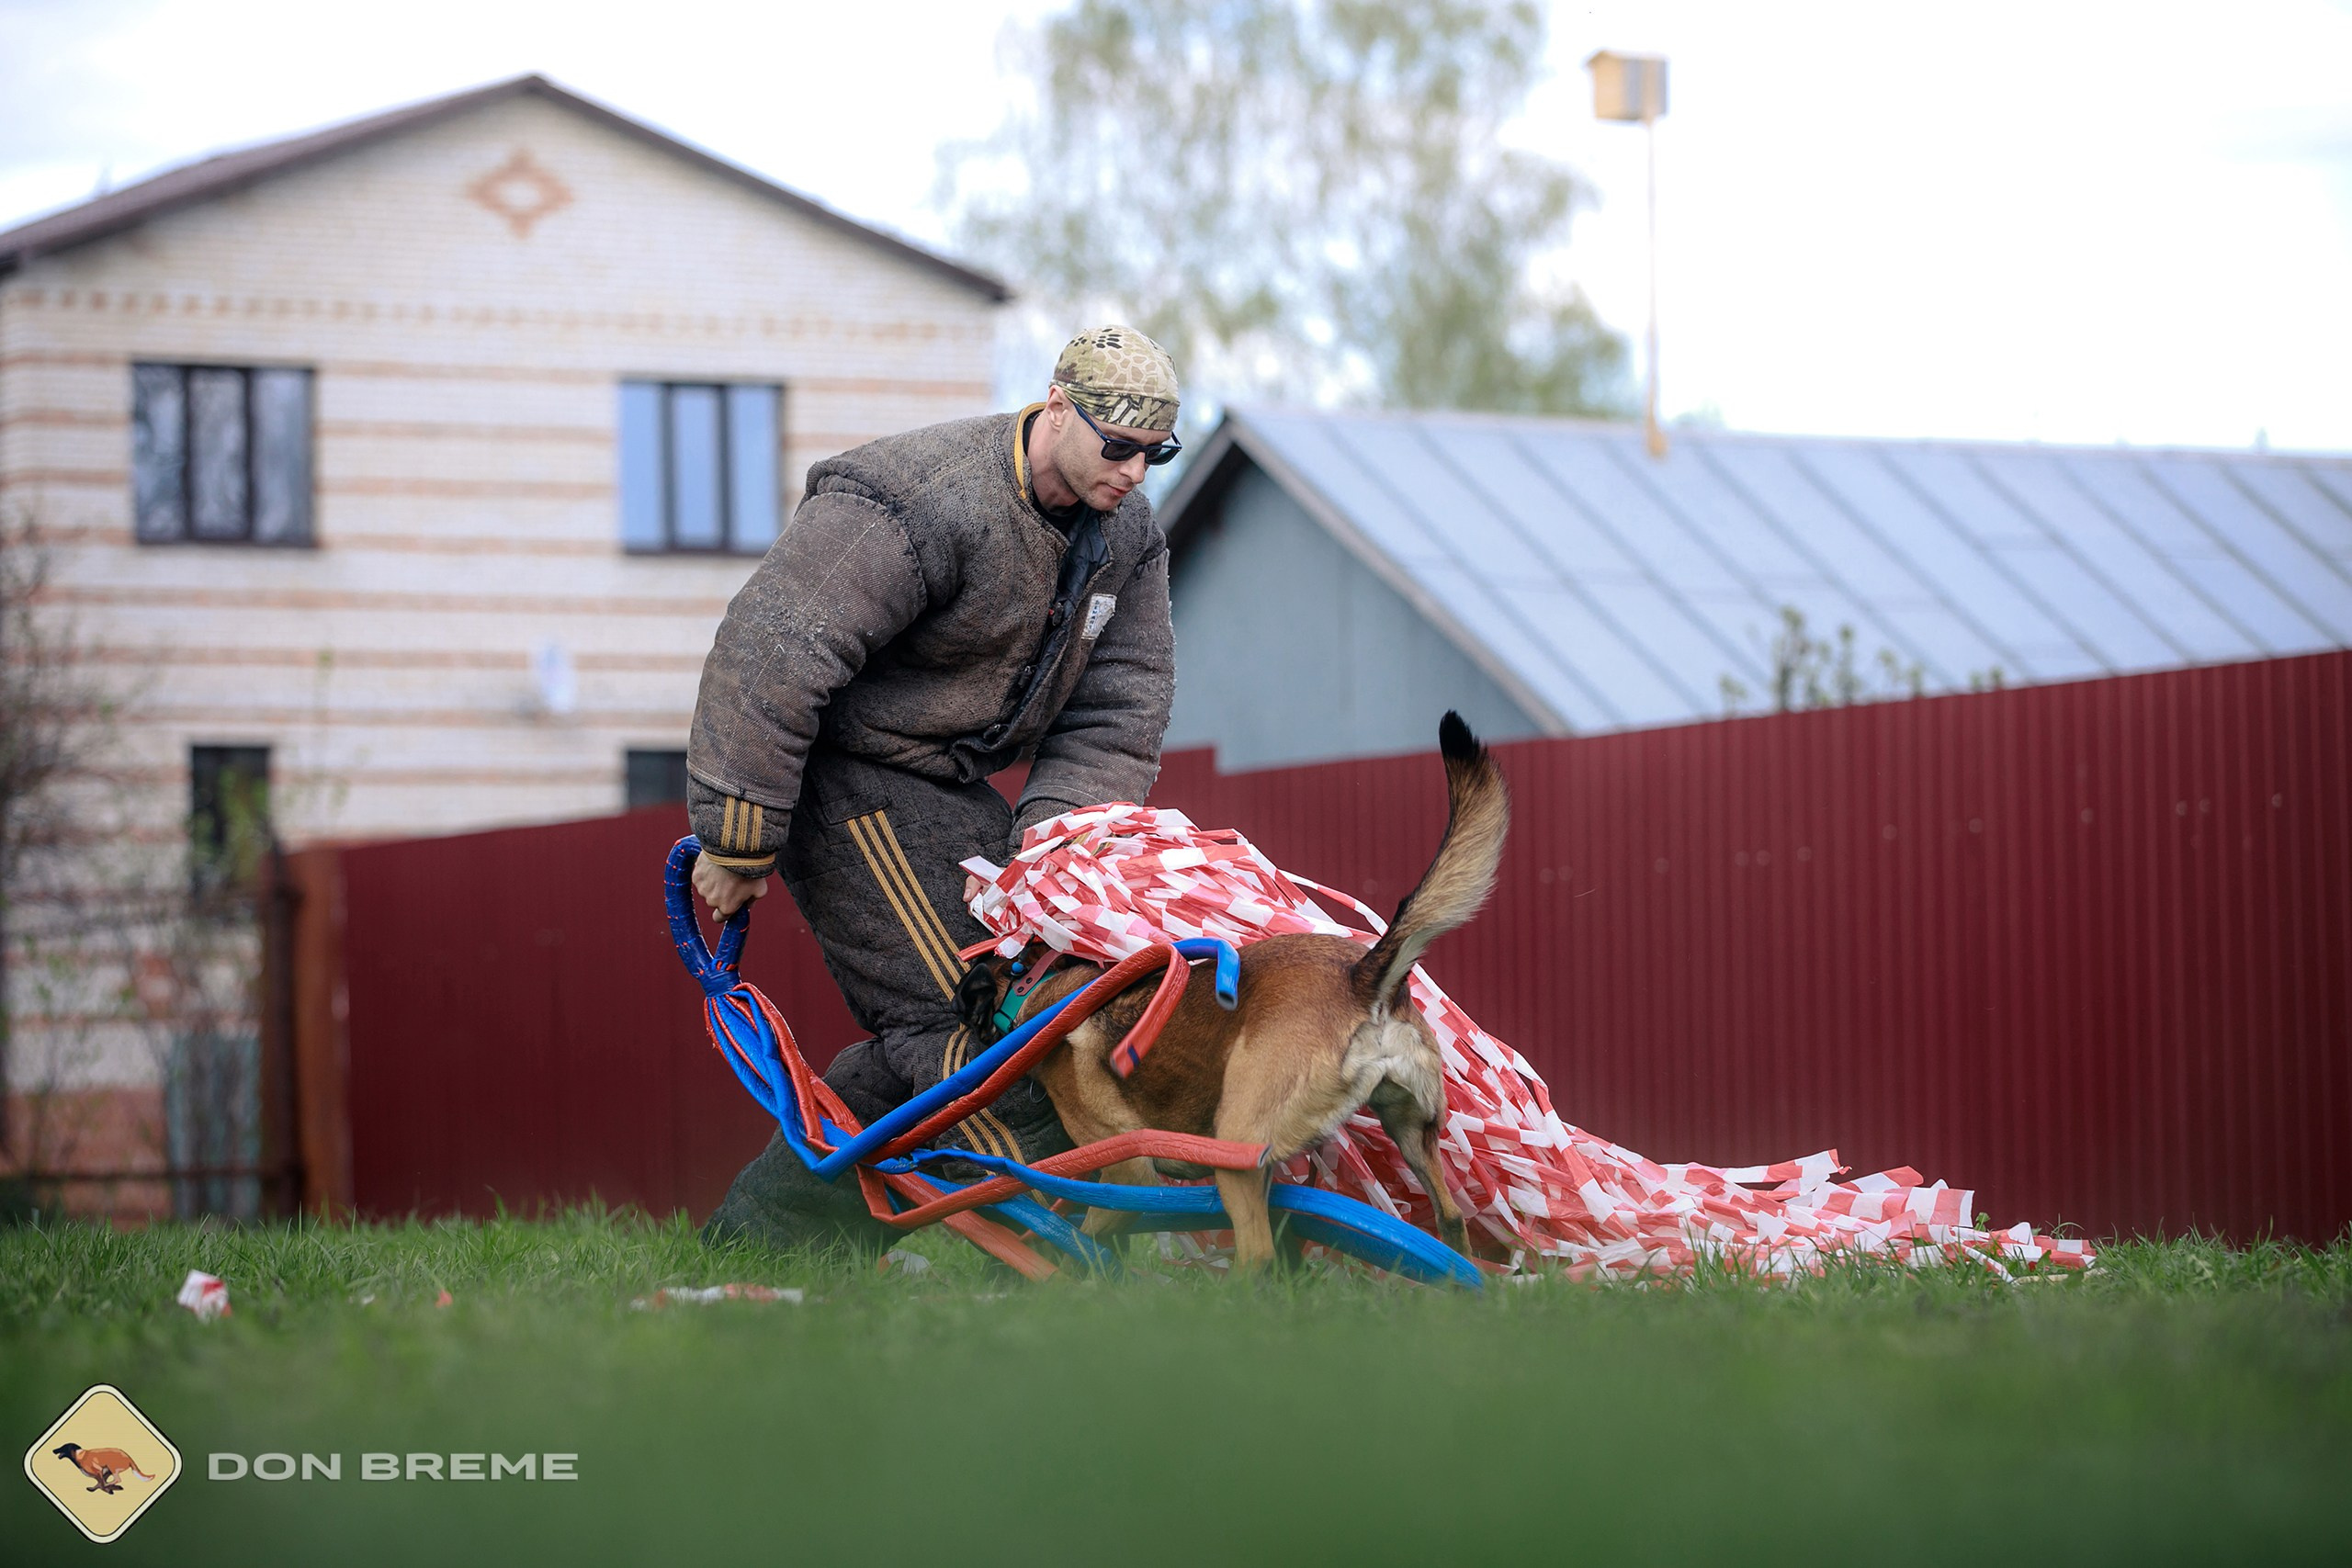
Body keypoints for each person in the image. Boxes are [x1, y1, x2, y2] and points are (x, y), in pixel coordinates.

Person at [684, 325, 1183, 1249]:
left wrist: (1059, 854)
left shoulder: (1126, 536)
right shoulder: (916, 498)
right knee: (972, 1017)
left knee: (1002, 1010)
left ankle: (774, 1237)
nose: (1134, 472)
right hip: (846, 782)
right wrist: (739, 836)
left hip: (947, 785)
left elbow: (1119, 702)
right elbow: (774, 648)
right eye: (1117, 447)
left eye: (1155, 453)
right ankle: (1048, 1258)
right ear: (1058, 408)